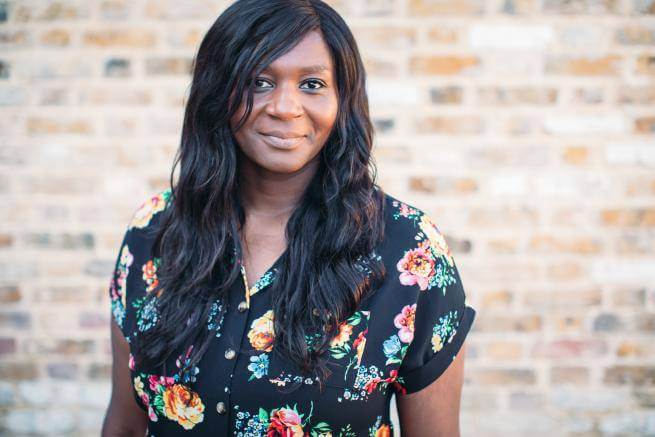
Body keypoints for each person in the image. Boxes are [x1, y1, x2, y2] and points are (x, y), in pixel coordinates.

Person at [102, 0, 476, 435]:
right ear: (217, 91)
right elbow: (125, 425)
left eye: (313, 84)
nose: (284, 107)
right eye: (260, 82)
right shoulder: (154, 232)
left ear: (343, 100)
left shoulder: (410, 252)